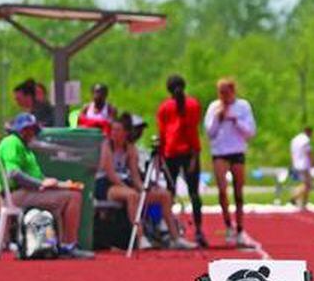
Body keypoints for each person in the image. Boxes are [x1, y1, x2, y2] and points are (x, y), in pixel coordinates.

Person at [0, 113, 92, 258]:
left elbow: (38, 179)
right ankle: (69, 246)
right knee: (74, 197)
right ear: (22, 130)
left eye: (34, 129)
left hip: (25, 192)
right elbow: (13, 173)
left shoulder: (23, 146)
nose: (33, 133)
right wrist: (41, 184)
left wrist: (61, 185)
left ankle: (58, 244)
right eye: (30, 129)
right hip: (17, 195)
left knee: (71, 192)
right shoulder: (12, 142)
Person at [96, 113, 194, 249]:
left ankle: (175, 237)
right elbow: (110, 174)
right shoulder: (107, 146)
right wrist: (129, 188)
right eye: (113, 130)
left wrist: (143, 188)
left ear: (125, 133)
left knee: (164, 195)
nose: (114, 133)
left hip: (126, 183)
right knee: (133, 196)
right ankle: (140, 237)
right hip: (108, 185)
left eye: (118, 130)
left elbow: (135, 175)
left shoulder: (130, 148)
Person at [204, 78, 257, 247]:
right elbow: (209, 132)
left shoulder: (243, 106)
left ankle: (240, 229)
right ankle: (228, 225)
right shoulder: (214, 107)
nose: (223, 96)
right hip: (220, 153)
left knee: (238, 193)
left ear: (232, 91)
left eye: (226, 92)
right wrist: (218, 118)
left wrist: (235, 121)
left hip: (237, 151)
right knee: (222, 190)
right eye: (220, 93)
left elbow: (250, 131)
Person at [156, 75, 206, 246]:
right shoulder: (193, 104)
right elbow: (193, 131)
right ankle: (198, 231)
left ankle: (169, 230)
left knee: (170, 192)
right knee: (194, 193)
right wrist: (195, 155)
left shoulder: (164, 107)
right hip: (188, 152)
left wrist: (160, 156)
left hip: (170, 153)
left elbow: (162, 133)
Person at [289, 126, 314, 209]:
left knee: (305, 183)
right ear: (309, 132)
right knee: (307, 184)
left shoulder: (294, 139)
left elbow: (292, 152)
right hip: (304, 164)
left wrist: (292, 163)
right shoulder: (305, 140)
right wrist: (313, 163)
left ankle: (303, 202)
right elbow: (308, 152)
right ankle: (294, 196)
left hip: (296, 163)